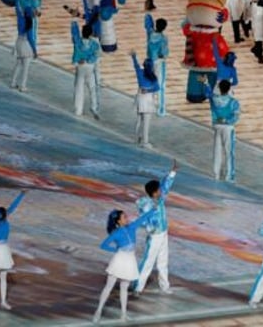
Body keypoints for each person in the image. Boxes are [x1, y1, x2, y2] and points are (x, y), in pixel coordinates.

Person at [93, 207, 157, 324]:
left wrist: (152, 211)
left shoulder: (132, 227)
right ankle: (98, 311)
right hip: (119, 260)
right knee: (108, 287)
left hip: (130, 260)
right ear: (118, 221)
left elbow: (141, 218)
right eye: (124, 217)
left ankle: (123, 314)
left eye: (126, 216)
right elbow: (103, 245)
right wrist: (116, 250)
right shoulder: (116, 233)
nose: (127, 218)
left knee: (124, 289)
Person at [133, 159, 177, 295]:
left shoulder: (160, 198)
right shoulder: (147, 205)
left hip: (164, 233)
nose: (161, 190)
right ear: (154, 193)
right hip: (155, 236)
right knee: (148, 261)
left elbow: (166, 185)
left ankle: (165, 286)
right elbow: (144, 220)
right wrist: (150, 229)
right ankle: (138, 287)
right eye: (158, 190)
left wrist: (172, 173)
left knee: (163, 261)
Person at [0, 190, 26, 311]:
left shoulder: (0, 218)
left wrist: (22, 194)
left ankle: (3, 302)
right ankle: (3, 302)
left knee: (3, 277)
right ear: (0, 215)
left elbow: (12, 207)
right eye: (4, 212)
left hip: (4, 250)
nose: (7, 213)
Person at [204, 79, 240, 182]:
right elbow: (236, 117)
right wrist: (227, 120)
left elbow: (208, 94)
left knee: (217, 150)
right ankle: (229, 176)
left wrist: (206, 83)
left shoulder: (215, 98)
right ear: (229, 89)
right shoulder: (234, 102)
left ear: (219, 88)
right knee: (229, 152)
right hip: (228, 128)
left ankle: (216, 174)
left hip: (217, 126)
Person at [10, 0, 39, 93]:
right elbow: (31, 39)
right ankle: (22, 86)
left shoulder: (20, 17)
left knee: (18, 63)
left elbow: (18, 4)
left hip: (18, 41)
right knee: (26, 66)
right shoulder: (30, 24)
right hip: (26, 44)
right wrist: (35, 50)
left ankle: (13, 82)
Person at [71, 21, 101, 119]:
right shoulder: (94, 44)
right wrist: (89, 60)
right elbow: (96, 55)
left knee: (79, 88)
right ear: (91, 33)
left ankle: (78, 110)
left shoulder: (78, 41)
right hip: (90, 66)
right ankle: (94, 108)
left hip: (80, 66)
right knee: (92, 88)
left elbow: (74, 32)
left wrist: (74, 21)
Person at [130, 51, 159, 149]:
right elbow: (157, 88)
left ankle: (137, 137)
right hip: (147, 100)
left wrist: (134, 57)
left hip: (139, 98)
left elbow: (136, 66)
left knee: (139, 119)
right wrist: (148, 90)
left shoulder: (140, 73)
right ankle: (145, 142)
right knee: (146, 122)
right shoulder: (153, 78)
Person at [144, 14, 169, 116]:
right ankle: (161, 110)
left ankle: (149, 105)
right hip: (159, 62)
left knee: (150, 83)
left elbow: (147, 19)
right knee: (161, 85)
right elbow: (164, 53)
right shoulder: (163, 38)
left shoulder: (150, 34)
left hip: (149, 61)